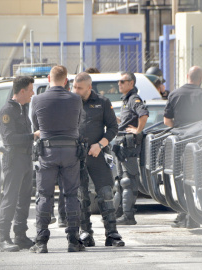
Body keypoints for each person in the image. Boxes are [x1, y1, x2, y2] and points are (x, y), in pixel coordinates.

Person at [31, 65, 84, 253]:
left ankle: (41, 241)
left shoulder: (37, 99)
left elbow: (35, 124)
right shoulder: (76, 99)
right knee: (71, 194)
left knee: (44, 195)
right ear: (66, 80)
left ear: (48, 78)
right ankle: (73, 240)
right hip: (70, 151)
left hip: (47, 152)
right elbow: (79, 122)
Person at [72, 72, 125, 247]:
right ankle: (86, 232)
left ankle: (112, 234)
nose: (75, 90)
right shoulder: (70, 102)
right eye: (74, 87)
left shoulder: (102, 102)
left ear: (89, 87)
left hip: (97, 154)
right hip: (77, 156)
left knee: (106, 193)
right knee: (82, 196)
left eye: (79, 88)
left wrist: (100, 145)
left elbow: (113, 127)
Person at [164, 66, 202, 229]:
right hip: (199, 144)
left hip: (180, 143)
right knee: (197, 179)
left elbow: (167, 121)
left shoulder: (174, 94)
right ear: (201, 78)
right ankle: (193, 215)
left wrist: (180, 132)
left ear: (187, 76)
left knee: (181, 178)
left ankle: (184, 213)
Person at [0, 76, 37, 252]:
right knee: (10, 198)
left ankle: (20, 235)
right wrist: (33, 136)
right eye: (30, 90)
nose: (32, 93)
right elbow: (9, 139)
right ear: (21, 91)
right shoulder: (8, 110)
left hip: (26, 158)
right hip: (14, 160)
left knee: (24, 199)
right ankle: (3, 239)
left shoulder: (22, 108)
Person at [113, 72, 149, 225]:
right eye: (119, 81)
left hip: (129, 145)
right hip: (121, 144)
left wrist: (138, 130)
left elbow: (144, 114)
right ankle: (120, 212)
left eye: (122, 81)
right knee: (120, 180)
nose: (119, 84)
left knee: (128, 180)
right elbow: (127, 120)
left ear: (131, 83)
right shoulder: (126, 100)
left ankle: (129, 216)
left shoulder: (134, 99)